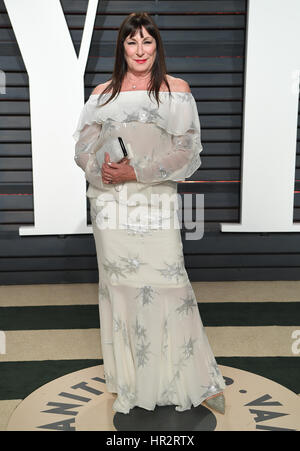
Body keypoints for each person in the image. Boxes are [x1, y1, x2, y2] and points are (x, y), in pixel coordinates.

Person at [73, 12, 226, 415]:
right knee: (121, 291)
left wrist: (136, 171)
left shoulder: (177, 91)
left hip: (155, 203)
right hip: (112, 207)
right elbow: (82, 150)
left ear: (157, 47)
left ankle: (191, 377)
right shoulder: (102, 95)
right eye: (131, 42)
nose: (140, 50)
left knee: (172, 286)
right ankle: (133, 382)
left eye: (147, 42)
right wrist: (102, 170)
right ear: (121, 48)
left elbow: (187, 152)